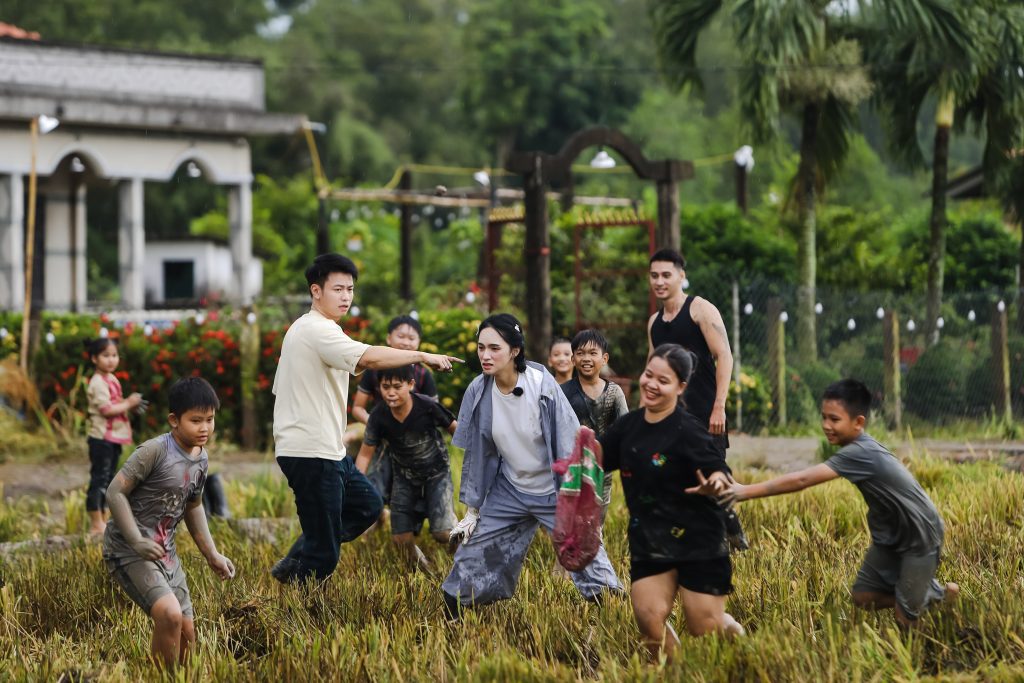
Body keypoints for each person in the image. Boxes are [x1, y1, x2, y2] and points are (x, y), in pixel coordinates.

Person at [270, 253, 462, 585]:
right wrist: (421, 355)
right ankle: (296, 590)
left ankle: (301, 556)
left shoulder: (314, 330)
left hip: (326, 450)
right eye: (338, 289)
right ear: (316, 291)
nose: (346, 297)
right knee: (326, 555)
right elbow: (369, 357)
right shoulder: (316, 330)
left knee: (367, 504)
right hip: (310, 452)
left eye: (350, 289)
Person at [720, 379, 958, 628]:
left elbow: (802, 479)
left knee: (905, 616)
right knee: (864, 597)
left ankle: (922, 646)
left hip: (918, 534)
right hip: (890, 535)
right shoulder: (858, 448)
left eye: (834, 419)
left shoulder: (859, 453)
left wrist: (743, 491)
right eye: (824, 417)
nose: (826, 426)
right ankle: (932, 596)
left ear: (858, 423)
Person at [441, 313, 622, 617]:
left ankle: (613, 612)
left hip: (554, 490)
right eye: (481, 347)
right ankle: (454, 614)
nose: (485, 355)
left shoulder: (541, 384)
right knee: (472, 557)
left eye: (494, 348)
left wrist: (577, 494)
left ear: (514, 350)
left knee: (587, 555)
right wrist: (473, 509)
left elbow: (568, 438)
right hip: (509, 490)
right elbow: (478, 452)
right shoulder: (477, 390)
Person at [600, 344, 743, 661]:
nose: (651, 384)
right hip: (650, 539)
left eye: (662, 381)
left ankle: (739, 642)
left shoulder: (689, 430)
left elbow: (720, 472)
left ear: (681, 387)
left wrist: (716, 483)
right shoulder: (628, 427)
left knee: (704, 625)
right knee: (649, 618)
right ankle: (677, 673)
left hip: (699, 539)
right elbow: (596, 455)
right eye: (648, 375)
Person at [103, 377, 234, 668]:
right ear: (174, 420)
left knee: (187, 633)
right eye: (196, 420)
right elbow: (114, 492)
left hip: (166, 552)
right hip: (129, 549)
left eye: (210, 420)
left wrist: (212, 554)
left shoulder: (201, 459)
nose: (204, 428)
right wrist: (136, 539)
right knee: (169, 615)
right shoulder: (155, 451)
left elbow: (194, 506)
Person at [646, 247, 746, 550]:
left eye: (666, 275)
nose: (660, 281)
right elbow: (651, 371)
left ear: (681, 276)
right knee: (675, 479)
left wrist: (719, 406)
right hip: (671, 417)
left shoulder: (700, 309)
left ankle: (732, 534)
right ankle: (704, 540)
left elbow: (724, 356)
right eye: (654, 276)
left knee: (715, 480)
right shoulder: (654, 323)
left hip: (705, 412)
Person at [353, 365, 457, 571]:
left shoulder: (427, 406)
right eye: (385, 387)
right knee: (401, 539)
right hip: (404, 477)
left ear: (410, 385)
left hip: (436, 473)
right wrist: (355, 485)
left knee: (442, 534)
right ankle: (427, 571)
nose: (390, 393)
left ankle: (467, 541)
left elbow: (456, 429)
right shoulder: (378, 416)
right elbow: (366, 453)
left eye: (397, 387)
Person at [349, 314, 438, 507]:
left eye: (411, 338)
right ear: (389, 338)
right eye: (401, 336)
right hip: (377, 434)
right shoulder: (373, 370)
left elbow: (433, 412)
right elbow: (357, 408)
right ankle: (370, 508)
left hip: (412, 438)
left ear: (419, 342)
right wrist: (376, 425)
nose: (406, 342)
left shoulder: (424, 374)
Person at [559, 328, 629, 513]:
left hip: (601, 468)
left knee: (596, 518)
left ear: (604, 359)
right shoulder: (563, 392)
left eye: (592, 353)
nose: (586, 358)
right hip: (571, 466)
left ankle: (595, 542)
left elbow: (625, 428)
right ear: (573, 359)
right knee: (571, 517)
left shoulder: (614, 393)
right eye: (580, 353)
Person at [84, 337, 145, 535]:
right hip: (101, 438)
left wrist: (130, 406)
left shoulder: (111, 379)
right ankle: (95, 522)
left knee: (109, 479)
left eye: (114, 355)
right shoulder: (97, 383)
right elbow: (106, 410)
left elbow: (117, 403)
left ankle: (103, 518)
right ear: (94, 359)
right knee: (99, 479)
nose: (111, 360)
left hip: (112, 438)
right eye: (105, 356)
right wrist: (128, 403)